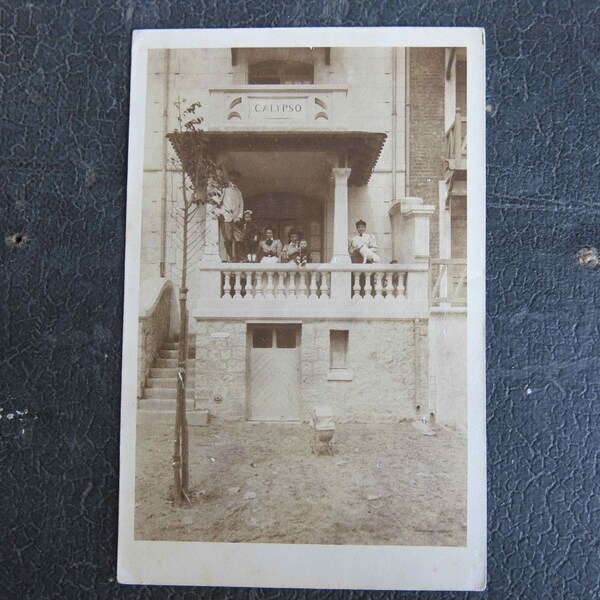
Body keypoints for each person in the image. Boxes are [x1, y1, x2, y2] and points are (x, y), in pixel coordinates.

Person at [213, 170, 244, 262]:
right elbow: (217, 202)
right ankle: (231, 257)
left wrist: (239, 216)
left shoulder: (239, 192)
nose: (235, 179)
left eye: (237, 177)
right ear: (230, 177)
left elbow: (241, 205)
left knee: (239, 237)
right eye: (233, 176)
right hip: (226, 217)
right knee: (228, 238)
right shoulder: (225, 189)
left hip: (235, 218)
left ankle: (240, 257)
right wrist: (221, 212)